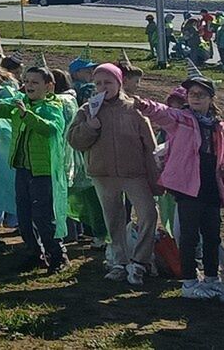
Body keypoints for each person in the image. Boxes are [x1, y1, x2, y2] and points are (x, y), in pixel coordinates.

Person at [136, 75, 224, 299]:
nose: (195, 98)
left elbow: (223, 155)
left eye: (200, 94)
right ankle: (189, 282)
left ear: (211, 98)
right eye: (191, 94)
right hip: (188, 187)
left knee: (212, 235)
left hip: (210, 186)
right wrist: (144, 104)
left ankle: (212, 279)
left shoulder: (217, 126)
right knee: (189, 236)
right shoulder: (182, 119)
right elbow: (163, 112)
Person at [68, 62, 160, 285]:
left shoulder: (134, 109)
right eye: (98, 83)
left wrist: (155, 176)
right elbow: (74, 141)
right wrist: (90, 127)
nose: (102, 87)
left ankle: (140, 260)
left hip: (134, 174)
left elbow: (150, 146)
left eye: (107, 82)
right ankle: (119, 262)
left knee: (148, 214)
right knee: (114, 219)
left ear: (119, 83)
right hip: (103, 174)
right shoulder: (87, 109)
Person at [0, 65, 73, 272]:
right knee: (23, 216)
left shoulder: (53, 107)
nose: (28, 85)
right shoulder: (22, 104)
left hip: (43, 172)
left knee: (43, 217)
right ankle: (35, 253)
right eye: (26, 81)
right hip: (23, 169)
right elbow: (4, 107)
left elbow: (50, 128)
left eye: (34, 82)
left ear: (48, 87)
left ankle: (58, 257)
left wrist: (26, 116)